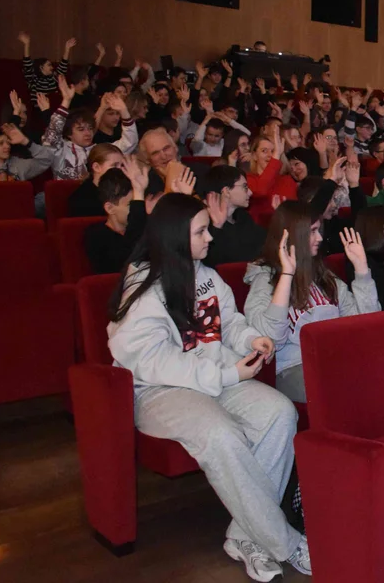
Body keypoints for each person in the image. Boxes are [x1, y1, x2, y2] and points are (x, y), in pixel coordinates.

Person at [107, 193, 310, 579]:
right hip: (158, 391)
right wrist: (227, 374)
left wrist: (251, 339)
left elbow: (227, 321)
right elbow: (155, 362)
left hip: (215, 377)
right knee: (221, 433)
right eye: (201, 231)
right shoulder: (142, 290)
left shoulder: (206, 275)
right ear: (174, 237)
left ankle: (246, 536)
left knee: (280, 413)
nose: (210, 238)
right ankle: (286, 542)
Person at [244, 202, 380, 403]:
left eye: (319, 230)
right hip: (294, 368)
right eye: (313, 231)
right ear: (292, 235)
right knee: (348, 387)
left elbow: (368, 326)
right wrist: (287, 275)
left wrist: (361, 271)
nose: (319, 238)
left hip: (337, 360)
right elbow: (271, 338)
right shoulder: (265, 280)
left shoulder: (325, 277)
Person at [43, 84, 139, 180]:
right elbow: (52, 134)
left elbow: (129, 142)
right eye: (81, 129)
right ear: (68, 133)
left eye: (90, 128)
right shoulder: (60, 150)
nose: (88, 133)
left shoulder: (99, 150)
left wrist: (124, 111)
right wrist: (66, 101)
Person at [84, 162, 153, 274]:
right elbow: (129, 262)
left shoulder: (147, 226)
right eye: (133, 204)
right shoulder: (96, 235)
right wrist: (138, 193)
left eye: (140, 202)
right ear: (110, 208)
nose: (139, 209)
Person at [200, 165, 267, 267]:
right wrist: (217, 228)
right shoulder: (203, 222)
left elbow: (265, 242)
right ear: (227, 191)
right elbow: (207, 262)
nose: (250, 192)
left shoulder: (242, 216)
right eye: (245, 187)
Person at [66, 144, 129, 217]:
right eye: (114, 165)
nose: (120, 169)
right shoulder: (81, 199)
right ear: (96, 167)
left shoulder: (127, 189)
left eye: (122, 165)